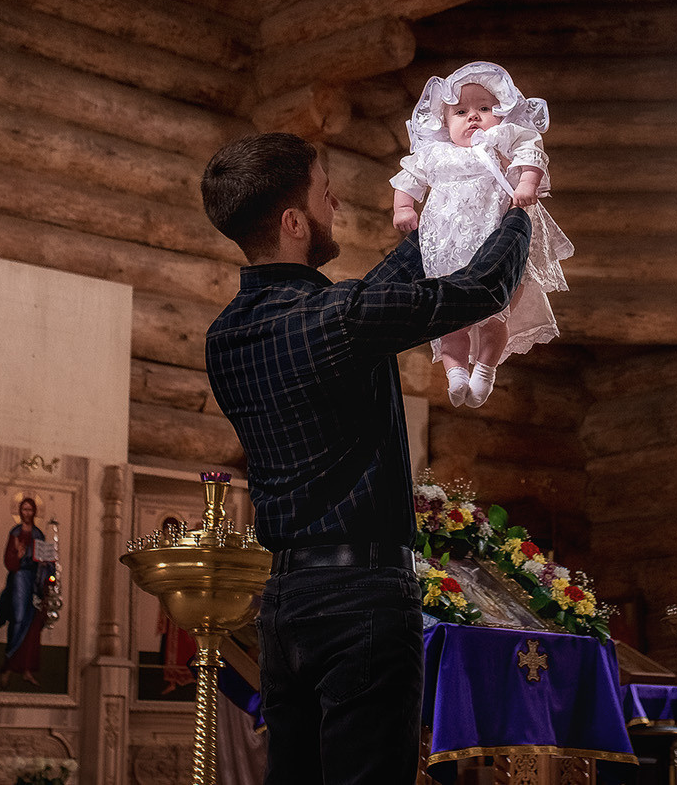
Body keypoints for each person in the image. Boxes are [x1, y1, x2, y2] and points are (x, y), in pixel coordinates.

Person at [202, 132, 531, 785]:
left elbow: (368, 302)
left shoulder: (226, 336)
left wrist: (432, 223)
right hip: (363, 601)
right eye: (325, 195)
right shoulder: (337, 319)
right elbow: (486, 286)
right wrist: (519, 208)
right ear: (295, 222)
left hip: (286, 605)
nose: (337, 207)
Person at [389, 62, 573, 408]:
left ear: (501, 114)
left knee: (495, 313)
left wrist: (526, 184)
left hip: (497, 242)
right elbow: (409, 177)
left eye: (484, 109)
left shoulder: (501, 139)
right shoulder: (434, 152)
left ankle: (485, 371)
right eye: (461, 111)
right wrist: (404, 208)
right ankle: (456, 374)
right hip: (448, 249)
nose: (473, 117)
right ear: (445, 122)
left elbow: (531, 153)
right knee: (449, 319)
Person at [0, 497, 46, 686]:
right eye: (23, 509)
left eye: (30, 510)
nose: (27, 513)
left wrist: (46, 564)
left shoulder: (39, 535)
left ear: (34, 512)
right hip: (19, 580)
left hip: (35, 581)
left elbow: (44, 560)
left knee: (32, 625)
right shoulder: (14, 533)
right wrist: (18, 555)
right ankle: (8, 665)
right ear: (20, 511)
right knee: (17, 619)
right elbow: (9, 561)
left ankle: (26, 670)